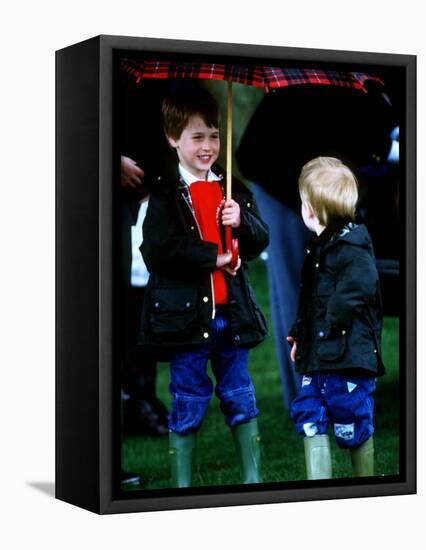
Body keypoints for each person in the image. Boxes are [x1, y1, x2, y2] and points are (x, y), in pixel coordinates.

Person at [138, 86, 269, 487]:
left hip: (232, 317)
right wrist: (212, 257)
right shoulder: (165, 193)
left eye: (214, 135)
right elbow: (157, 249)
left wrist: (241, 220)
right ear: (173, 138)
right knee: (189, 399)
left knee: (240, 397)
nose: (209, 145)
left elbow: (260, 239)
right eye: (198, 137)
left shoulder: (233, 189)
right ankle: (182, 485)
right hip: (188, 323)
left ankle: (253, 478)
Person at [236, 82, 396, 412]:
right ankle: (310, 398)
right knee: (298, 286)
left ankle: (318, 393)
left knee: (306, 287)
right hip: (279, 173)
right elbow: (367, 138)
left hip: (313, 177)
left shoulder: (365, 87)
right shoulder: (341, 88)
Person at [287, 157, 385, 480]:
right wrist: (300, 333)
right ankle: (320, 492)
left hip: (348, 360)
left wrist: (331, 321)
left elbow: (361, 283)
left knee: (352, 420)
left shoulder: (353, 244)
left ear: (310, 210)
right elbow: (312, 300)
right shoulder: (317, 247)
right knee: (310, 417)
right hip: (317, 360)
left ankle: (365, 486)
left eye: (303, 201)